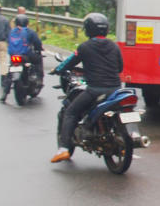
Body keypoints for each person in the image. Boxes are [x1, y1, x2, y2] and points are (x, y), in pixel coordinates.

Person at [51, 13, 123, 163]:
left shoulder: (84, 47)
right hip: (115, 89)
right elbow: (120, 68)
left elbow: (69, 62)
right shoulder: (114, 46)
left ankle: (64, 149)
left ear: (88, 29)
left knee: (70, 112)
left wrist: (57, 70)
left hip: (95, 89)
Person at [0, 14, 44, 102]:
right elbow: (37, 43)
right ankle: (39, 78)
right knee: (38, 59)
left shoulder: (12, 32)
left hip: (13, 56)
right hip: (25, 56)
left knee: (10, 72)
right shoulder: (29, 32)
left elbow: (8, 41)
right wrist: (40, 49)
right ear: (27, 22)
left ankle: (4, 93)